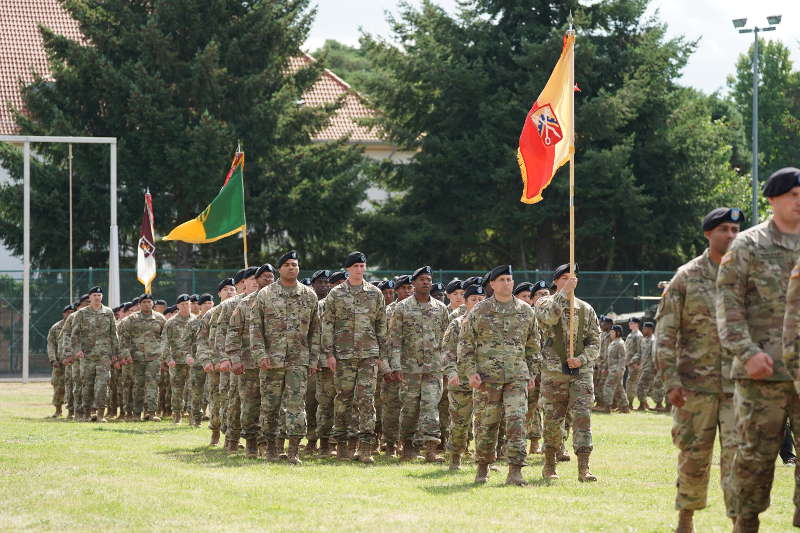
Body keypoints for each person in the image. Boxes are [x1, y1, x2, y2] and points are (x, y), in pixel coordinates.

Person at [718, 168, 800, 532]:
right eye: (792, 195)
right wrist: (748, 352)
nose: (799, 201)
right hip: (761, 375)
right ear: (772, 199)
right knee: (754, 461)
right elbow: (727, 306)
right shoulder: (748, 245)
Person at [459, 264, 539, 486]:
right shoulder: (480, 310)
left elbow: (534, 346)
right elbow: (466, 344)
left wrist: (531, 373)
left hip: (516, 377)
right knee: (487, 424)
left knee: (517, 422)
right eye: (502, 279)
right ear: (492, 284)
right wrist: (471, 371)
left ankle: (515, 471)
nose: (507, 283)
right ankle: (483, 467)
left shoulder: (525, 310)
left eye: (509, 279)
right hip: (488, 379)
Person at [251, 251, 320, 464]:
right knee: (270, 407)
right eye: (287, 264)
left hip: (298, 361)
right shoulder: (265, 295)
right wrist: (260, 354)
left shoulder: (309, 295)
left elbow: (316, 331)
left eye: (295, 264)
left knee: (296, 407)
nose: (292, 268)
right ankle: (271, 448)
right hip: (271, 361)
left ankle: (293, 451)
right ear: (279, 269)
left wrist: (313, 359)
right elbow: (256, 328)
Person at [535, 263, 600, 482]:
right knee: (553, 419)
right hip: (554, 373)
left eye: (571, 278)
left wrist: (581, 359)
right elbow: (550, 318)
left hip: (580, 373)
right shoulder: (544, 303)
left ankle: (584, 467)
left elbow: (595, 341)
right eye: (563, 278)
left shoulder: (586, 309)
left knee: (583, 418)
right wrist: (563, 294)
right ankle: (550, 465)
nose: (568, 281)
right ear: (555, 281)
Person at [322, 252, 387, 463]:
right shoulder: (336, 294)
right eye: (356, 266)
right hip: (343, 355)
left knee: (366, 400)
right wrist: (329, 353)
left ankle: (366, 447)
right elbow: (328, 325)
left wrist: (380, 354)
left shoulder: (375, 293)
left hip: (368, 355)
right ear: (348, 269)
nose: (360, 269)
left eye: (362, 266)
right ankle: (342, 446)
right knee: (343, 398)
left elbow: (381, 325)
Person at [388, 266, 450, 463]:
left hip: (433, 369)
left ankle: (431, 449)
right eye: (422, 279)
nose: (426, 282)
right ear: (413, 283)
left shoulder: (440, 308)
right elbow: (395, 340)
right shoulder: (402, 308)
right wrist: (396, 366)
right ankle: (407, 447)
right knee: (410, 408)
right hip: (410, 369)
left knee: (431, 407)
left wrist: (447, 366)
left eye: (429, 279)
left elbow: (446, 340)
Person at [442, 283, 485, 470]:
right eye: (473, 300)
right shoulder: (457, 323)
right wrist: (451, 373)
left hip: (485, 382)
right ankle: (455, 458)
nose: (477, 303)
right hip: (461, 381)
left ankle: (483, 460)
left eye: (481, 300)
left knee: (485, 424)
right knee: (460, 422)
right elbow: (447, 352)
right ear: (466, 302)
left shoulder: (491, 324)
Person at [226, 265, 268, 456]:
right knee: (250, 405)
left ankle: (267, 443)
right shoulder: (242, 304)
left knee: (272, 405)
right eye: (252, 279)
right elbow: (231, 333)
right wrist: (233, 359)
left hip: (273, 362)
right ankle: (250, 441)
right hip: (249, 363)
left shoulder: (276, 300)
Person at [68, 286, 120, 423]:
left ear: (102, 297)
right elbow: (74, 335)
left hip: (104, 355)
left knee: (103, 384)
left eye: (99, 295)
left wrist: (115, 352)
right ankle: (86, 414)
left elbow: (113, 334)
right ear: (90, 297)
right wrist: (77, 350)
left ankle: (101, 414)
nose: (97, 297)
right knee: (87, 385)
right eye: (94, 295)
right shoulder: (82, 313)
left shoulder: (108, 312)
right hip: (87, 356)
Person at [197, 277, 236, 445]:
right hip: (215, 366)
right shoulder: (210, 315)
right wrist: (206, 360)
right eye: (226, 289)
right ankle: (215, 431)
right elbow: (201, 340)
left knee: (232, 401)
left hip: (234, 365)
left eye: (232, 289)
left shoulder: (239, 309)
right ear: (219, 293)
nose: (230, 292)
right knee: (217, 400)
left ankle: (230, 436)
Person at [117, 293, 166, 421]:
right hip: (136, 358)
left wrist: (163, 354)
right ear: (139, 304)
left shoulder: (160, 319)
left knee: (152, 384)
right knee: (138, 385)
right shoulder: (132, 319)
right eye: (144, 302)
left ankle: (151, 412)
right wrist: (126, 354)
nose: (147, 304)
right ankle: (137, 413)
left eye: (149, 302)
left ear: (153, 303)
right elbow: (124, 337)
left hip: (154, 357)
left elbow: (166, 338)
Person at [381, 274, 413, 456]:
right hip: (393, 367)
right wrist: (385, 367)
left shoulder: (418, 308)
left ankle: (408, 444)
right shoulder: (389, 311)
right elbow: (383, 341)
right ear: (397, 290)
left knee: (410, 407)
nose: (407, 291)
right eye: (404, 288)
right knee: (391, 408)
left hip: (413, 368)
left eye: (410, 288)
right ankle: (390, 444)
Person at [162, 294, 195, 424]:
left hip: (192, 361)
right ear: (178, 306)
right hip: (176, 362)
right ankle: (177, 415)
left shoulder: (196, 320)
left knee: (193, 389)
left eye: (188, 304)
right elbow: (164, 342)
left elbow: (200, 341)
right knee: (177, 390)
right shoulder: (171, 322)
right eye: (183, 305)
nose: (186, 307)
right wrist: (168, 358)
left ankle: (193, 415)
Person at [525, 280, 550, 454]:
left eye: (547, 294)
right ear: (532, 299)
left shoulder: (555, 317)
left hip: (552, 370)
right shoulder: (526, 317)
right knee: (528, 408)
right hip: (533, 371)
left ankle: (555, 447)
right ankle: (520, 443)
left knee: (553, 410)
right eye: (540, 294)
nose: (545, 297)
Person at [60, 294, 89, 420]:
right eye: (86, 302)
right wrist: (68, 354)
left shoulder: (100, 314)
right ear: (80, 305)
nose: (88, 304)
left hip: (94, 355)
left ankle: (90, 411)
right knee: (77, 383)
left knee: (92, 384)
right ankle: (76, 411)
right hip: (77, 357)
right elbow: (66, 336)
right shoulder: (73, 317)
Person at [188, 293, 214, 427]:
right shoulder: (193, 322)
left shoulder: (216, 318)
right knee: (196, 391)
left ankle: (211, 417)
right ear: (200, 306)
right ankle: (196, 418)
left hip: (213, 361)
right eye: (205, 304)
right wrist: (188, 356)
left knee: (212, 391)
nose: (209, 305)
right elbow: (185, 342)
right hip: (197, 362)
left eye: (210, 303)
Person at [47, 304, 74, 418]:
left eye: (72, 312)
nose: (70, 314)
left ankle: (71, 412)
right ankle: (58, 410)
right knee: (58, 386)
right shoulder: (56, 327)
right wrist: (53, 360)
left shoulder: (77, 325)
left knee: (72, 387)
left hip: (73, 362)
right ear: (64, 313)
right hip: (59, 363)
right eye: (68, 312)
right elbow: (51, 344)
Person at [598, 325, 628, 414]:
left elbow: (622, 358)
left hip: (616, 370)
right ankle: (625, 407)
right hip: (611, 369)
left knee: (608, 387)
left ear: (617, 333)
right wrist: (606, 368)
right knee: (619, 388)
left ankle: (607, 406)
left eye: (612, 332)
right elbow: (609, 358)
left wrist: (620, 370)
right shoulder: (613, 343)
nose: (611, 334)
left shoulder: (620, 343)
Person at [625, 317, 644, 408]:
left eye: (632, 323)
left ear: (637, 324)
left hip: (635, 363)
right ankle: (631, 402)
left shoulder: (638, 335)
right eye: (630, 323)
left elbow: (640, 351)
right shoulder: (630, 335)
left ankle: (631, 403)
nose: (630, 324)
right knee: (630, 382)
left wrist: (634, 362)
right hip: (629, 363)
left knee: (631, 383)